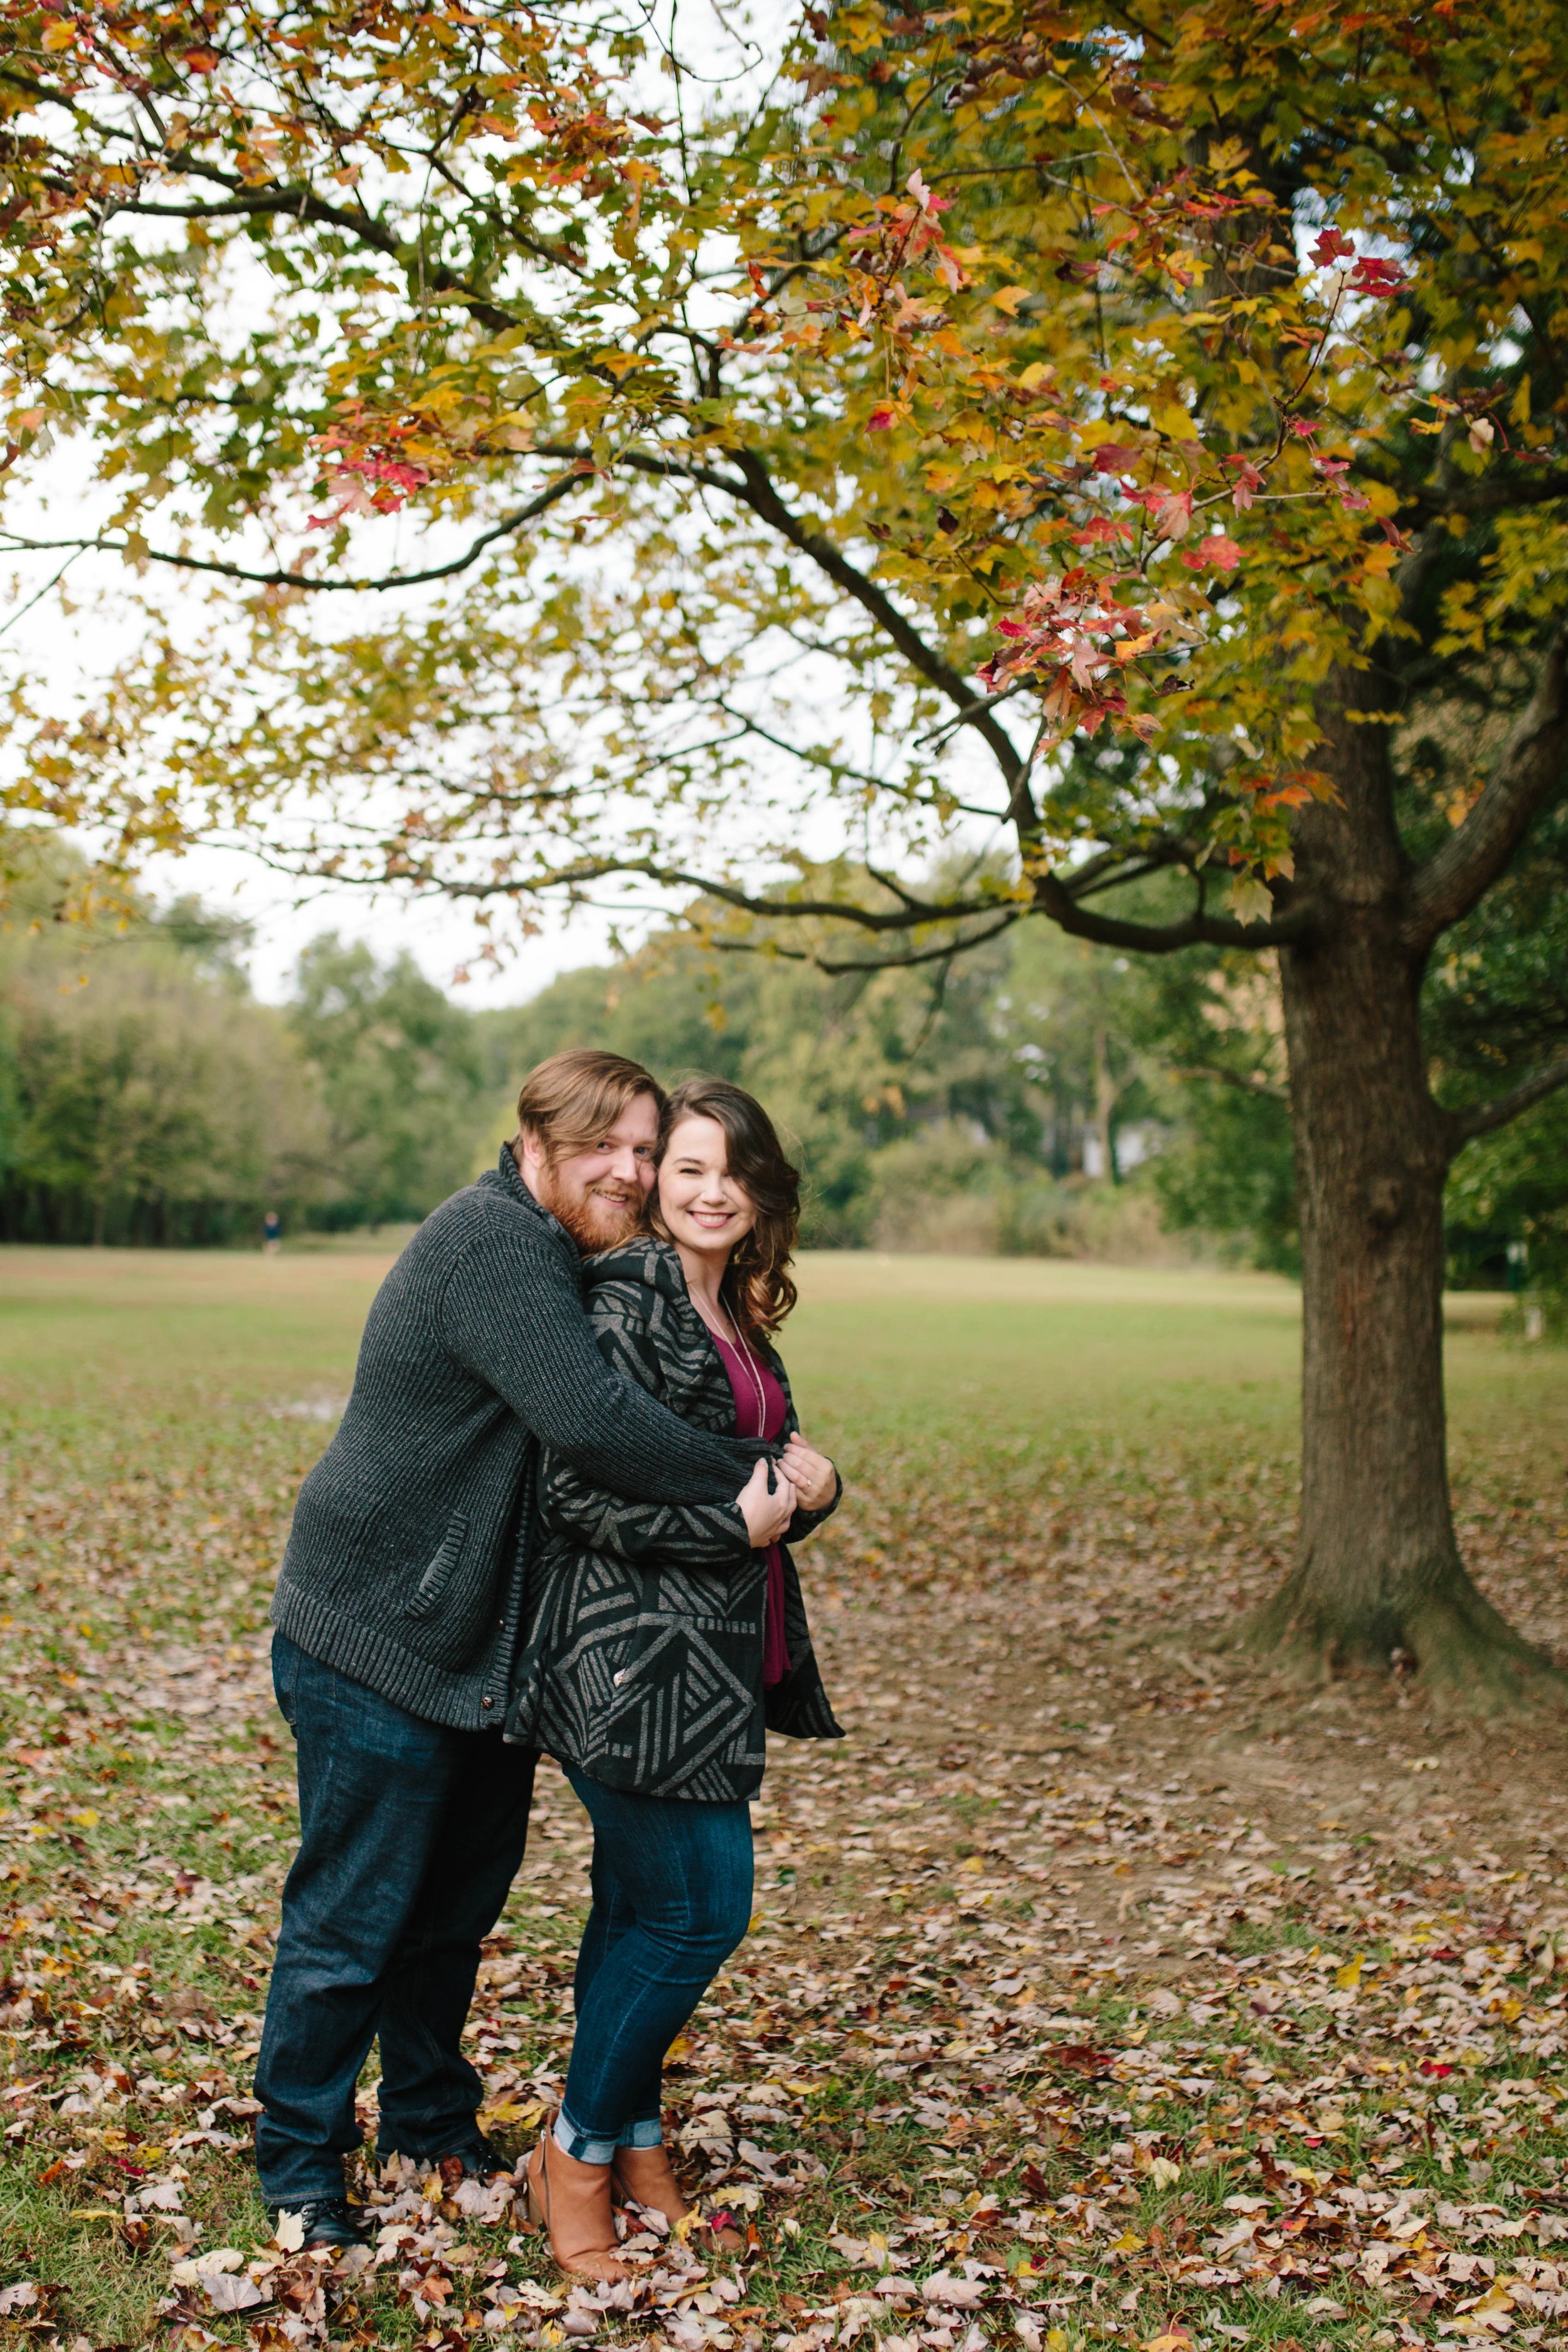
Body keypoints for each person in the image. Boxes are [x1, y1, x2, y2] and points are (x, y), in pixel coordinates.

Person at [254, 1051, 796, 2249]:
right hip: (376, 1632)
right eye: (606, 1144)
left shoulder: (573, 1253)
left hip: (482, 1655)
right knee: (353, 1920)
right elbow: (595, 1425)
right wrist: (767, 1483)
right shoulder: (493, 1242)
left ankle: (432, 2128)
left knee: (451, 1913)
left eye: (647, 1149)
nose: (632, 1169)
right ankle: (299, 2168)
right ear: (534, 1143)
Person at [509, 1077, 842, 2282]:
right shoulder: (634, 1296)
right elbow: (576, 1491)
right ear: (659, 1183)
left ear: (760, 1194)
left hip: (712, 1671)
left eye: (731, 1173)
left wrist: (816, 1491)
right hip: (631, 1667)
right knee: (701, 1910)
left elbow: (762, 1473)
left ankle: (636, 2136)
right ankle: (576, 2154)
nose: (708, 1191)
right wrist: (733, 1528)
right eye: (686, 1167)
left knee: (637, 1911)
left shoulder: (733, 1307)